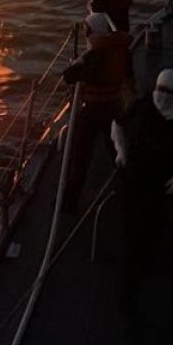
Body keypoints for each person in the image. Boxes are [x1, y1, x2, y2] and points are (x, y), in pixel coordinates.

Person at [112, 69, 173, 312]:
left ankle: (145, 256)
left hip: (163, 182)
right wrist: (121, 151)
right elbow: (118, 124)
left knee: (153, 223)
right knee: (132, 228)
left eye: (168, 91)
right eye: (160, 89)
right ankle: (128, 282)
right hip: (133, 178)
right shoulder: (142, 104)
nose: (162, 95)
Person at [60, 12, 132, 213]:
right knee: (118, 152)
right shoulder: (119, 52)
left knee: (80, 158)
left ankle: (69, 203)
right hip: (115, 108)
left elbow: (69, 77)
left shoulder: (93, 57)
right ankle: (129, 189)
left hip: (92, 112)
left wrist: (77, 64)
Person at [85, 0, 138, 96]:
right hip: (124, 27)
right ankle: (131, 87)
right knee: (125, 58)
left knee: (111, 59)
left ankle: (113, 90)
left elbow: (96, 8)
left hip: (112, 30)